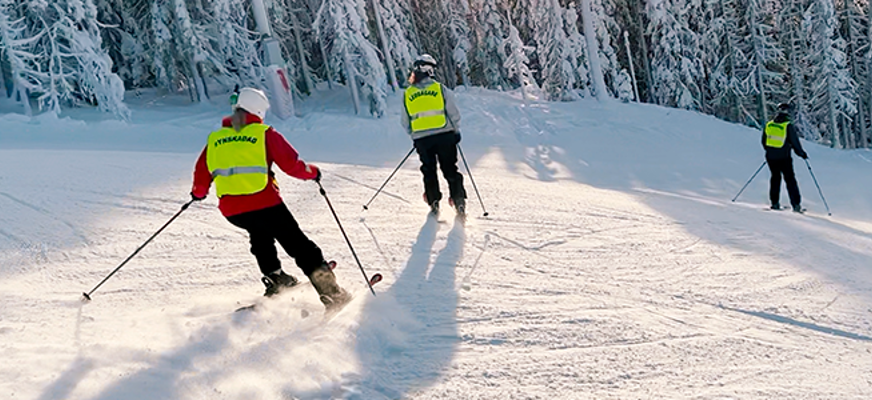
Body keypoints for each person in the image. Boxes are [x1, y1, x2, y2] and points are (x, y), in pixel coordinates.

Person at [191, 87, 349, 308]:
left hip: (233, 211)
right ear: (258, 109)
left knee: (260, 237)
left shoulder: (215, 139)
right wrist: (313, 172)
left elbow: (201, 175)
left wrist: (198, 194)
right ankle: (333, 294)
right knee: (300, 247)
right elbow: (291, 165)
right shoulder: (264, 133)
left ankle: (276, 279)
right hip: (266, 204)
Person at [401, 54, 468, 216]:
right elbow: (453, 112)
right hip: (445, 135)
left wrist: (414, 135)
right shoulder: (440, 89)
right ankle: (458, 200)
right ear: (431, 70)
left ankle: (433, 201)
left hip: (422, 140)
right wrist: (455, 130)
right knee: (450, 168)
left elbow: (405, 120)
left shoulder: (408, 93)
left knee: (429, 169)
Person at [762, 102, 808, 212]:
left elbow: (764, 141)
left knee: (775, 178)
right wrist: (801, 153)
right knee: (790, 180)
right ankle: (796, 205)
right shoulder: (787, 125)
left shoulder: (769, 124)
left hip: (771, 157)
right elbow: (794, 141)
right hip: (784, 157)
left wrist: (771, 151)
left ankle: (775, 203)